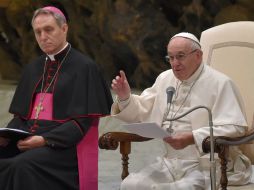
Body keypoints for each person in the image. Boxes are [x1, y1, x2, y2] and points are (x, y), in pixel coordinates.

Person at [111, 32, 252, 190]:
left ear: (198, 55)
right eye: (170, 58)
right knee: (130, 184)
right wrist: (125, 97)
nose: (175, 63)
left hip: (208, 164)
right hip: (171, 163)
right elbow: (144, 109)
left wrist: (192, 138)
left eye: (180, 56)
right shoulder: (165, 78)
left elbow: (236, 127)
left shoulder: (220, 83)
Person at [0, 6, 112, 190]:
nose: (43, 36)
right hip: (28, 141)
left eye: (48, 29)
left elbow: (80, 124)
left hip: (63, 148)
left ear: (64, 28)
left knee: (20, 165)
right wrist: (5, 136)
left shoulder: (85, 68)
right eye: (38, 32)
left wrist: (44, 140)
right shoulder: (32, 68)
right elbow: (20, 117)